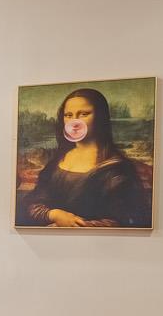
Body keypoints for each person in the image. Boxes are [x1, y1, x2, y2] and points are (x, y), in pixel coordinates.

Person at [16, 87, 151, 227]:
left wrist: (71, 226)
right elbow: (31, 204)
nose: (74, 122)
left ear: (100, 117)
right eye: (68, 115)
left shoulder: (118, 169)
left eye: (83, 114)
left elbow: (127, 221)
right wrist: (54, 214)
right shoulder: (57, 161)